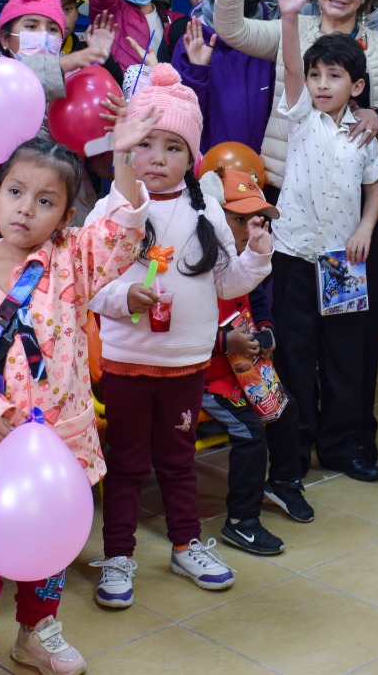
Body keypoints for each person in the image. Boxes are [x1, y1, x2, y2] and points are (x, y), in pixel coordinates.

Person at [0, 118, 158, 675]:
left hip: (60, 445)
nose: (25, 209)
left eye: (45, 201)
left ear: (65, 217)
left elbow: (123, 231)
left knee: (51, 550)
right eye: (15, 192)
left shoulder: (71, 262)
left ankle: (37, 630)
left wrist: (124, 155)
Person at [213, 0, 378, 475]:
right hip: (292, 219)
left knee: (349, 342)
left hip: (351, 230)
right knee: (297, 338)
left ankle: (347, 442)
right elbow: (231, 30)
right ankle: (296, 442)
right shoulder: (298, 39)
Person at [88, 64, 271, 608]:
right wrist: (124, 299)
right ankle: (118, 556)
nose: (159, 159)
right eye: (147, 145)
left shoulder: (205, 211)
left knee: (177, 459)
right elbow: (91, 285)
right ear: (126, 150)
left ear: (190, 158)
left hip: (186, 364)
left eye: (174, 147)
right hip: (126, 363)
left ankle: (186, 543)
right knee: (124, 464)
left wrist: (257, 254)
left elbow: (227, 282)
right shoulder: (112, 209)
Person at [267, 0, 378, 482]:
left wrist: (365, 228)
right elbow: (292, 67)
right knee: (295, 353)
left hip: (344, 261)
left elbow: (377, 189)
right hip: (293, 254)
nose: (321, 84)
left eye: (334, 76)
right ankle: (294, 449)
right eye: (317, 76)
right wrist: (291, 17)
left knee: (343, 357)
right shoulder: (301, 116)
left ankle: (344, 445)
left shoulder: (362, 134)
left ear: (356, 86)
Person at [202, 167, 306, 555]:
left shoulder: (250, 258)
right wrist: (223, 341)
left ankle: (282, 483)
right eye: (238, 219)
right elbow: (177, 329)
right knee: (249, 430)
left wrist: (266, 332)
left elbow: (259, 302)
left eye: (254, 219)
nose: (248, 228)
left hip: (244, 370)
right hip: (204, 378)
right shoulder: (198, 260)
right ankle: (241, 522)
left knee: (287, 408)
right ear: (213, 213)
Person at [173, 0, 277, 156]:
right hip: (209, 168)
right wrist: (196, 71)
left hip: (262, 171)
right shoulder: (194, 39)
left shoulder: (271, 35)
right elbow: (179, 117)